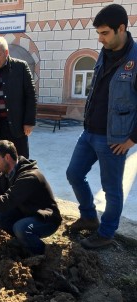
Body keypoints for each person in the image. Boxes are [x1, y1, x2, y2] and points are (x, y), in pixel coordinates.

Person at [66, 4, 137, 249]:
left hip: (114, 139)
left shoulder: (135, 61)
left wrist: (132, 140)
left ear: (121, 28)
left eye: (104, 33)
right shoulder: (104, 53)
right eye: (99, 34)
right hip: (89, 132)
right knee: (73, 174)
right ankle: (88, 217)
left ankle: (105, 234)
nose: (100, 39)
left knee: (111, 190)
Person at [0, 36, 37, 158]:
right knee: (1, 162)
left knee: (21, 162)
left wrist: (29, 122)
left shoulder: (21, 68)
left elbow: (31, 96)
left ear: (6, 52)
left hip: (18, 126)